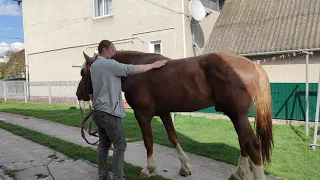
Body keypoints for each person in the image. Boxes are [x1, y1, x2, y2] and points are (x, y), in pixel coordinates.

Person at [89, 40, 167, 180]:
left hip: (98, 111)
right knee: (120, 145)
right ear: (105, 50)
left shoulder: (94, 66)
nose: (114, 53)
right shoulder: (110, 64)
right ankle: (118, 177)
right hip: (109, 112)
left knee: (104, 145)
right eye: (112, 50)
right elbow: (131, 69)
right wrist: (153, 65)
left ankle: (103, 175)